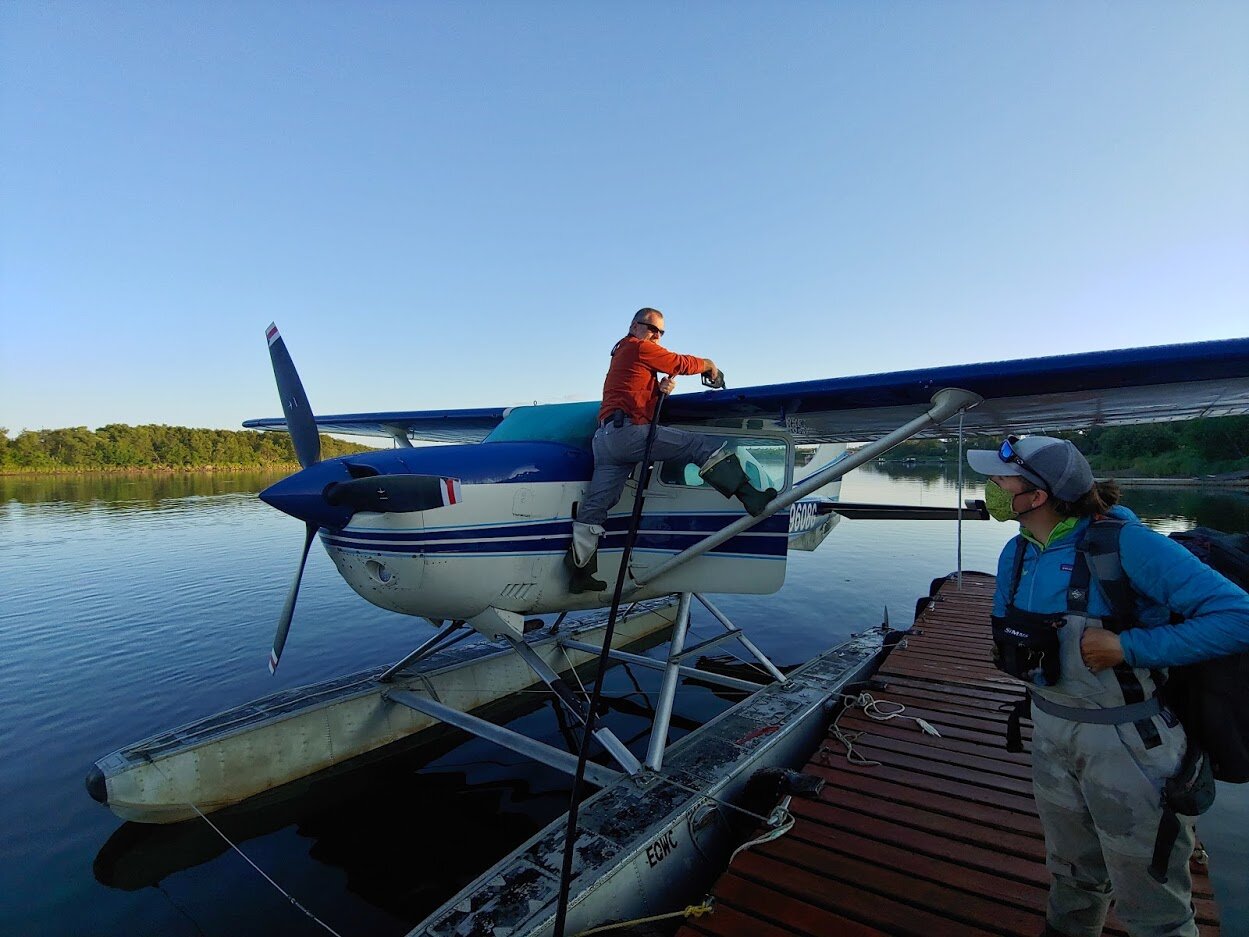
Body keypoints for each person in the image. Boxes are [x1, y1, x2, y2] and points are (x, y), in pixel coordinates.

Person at [967, 434, 1249, 937]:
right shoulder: (1016, 551)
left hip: (1132, 747)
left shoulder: (1128, 544)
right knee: (1072, 874)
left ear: (1038, 495)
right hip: (1050, 733)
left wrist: (1129, 648)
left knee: (1152, 899)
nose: (988, 486)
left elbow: (1238, 615)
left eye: (999, 479)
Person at [566, 307, 776, 593]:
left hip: (605, 439)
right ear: (634, 326)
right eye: (652, 328)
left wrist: (658, 391)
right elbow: (678, 362)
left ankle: (579, 573)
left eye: (661, 332)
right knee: (699, 445)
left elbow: (633, 397)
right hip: (627, 435)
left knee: (597, 506)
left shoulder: (624, 354)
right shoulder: (638, 347)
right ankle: (752, 498)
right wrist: (709, 364)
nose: (657, 335)